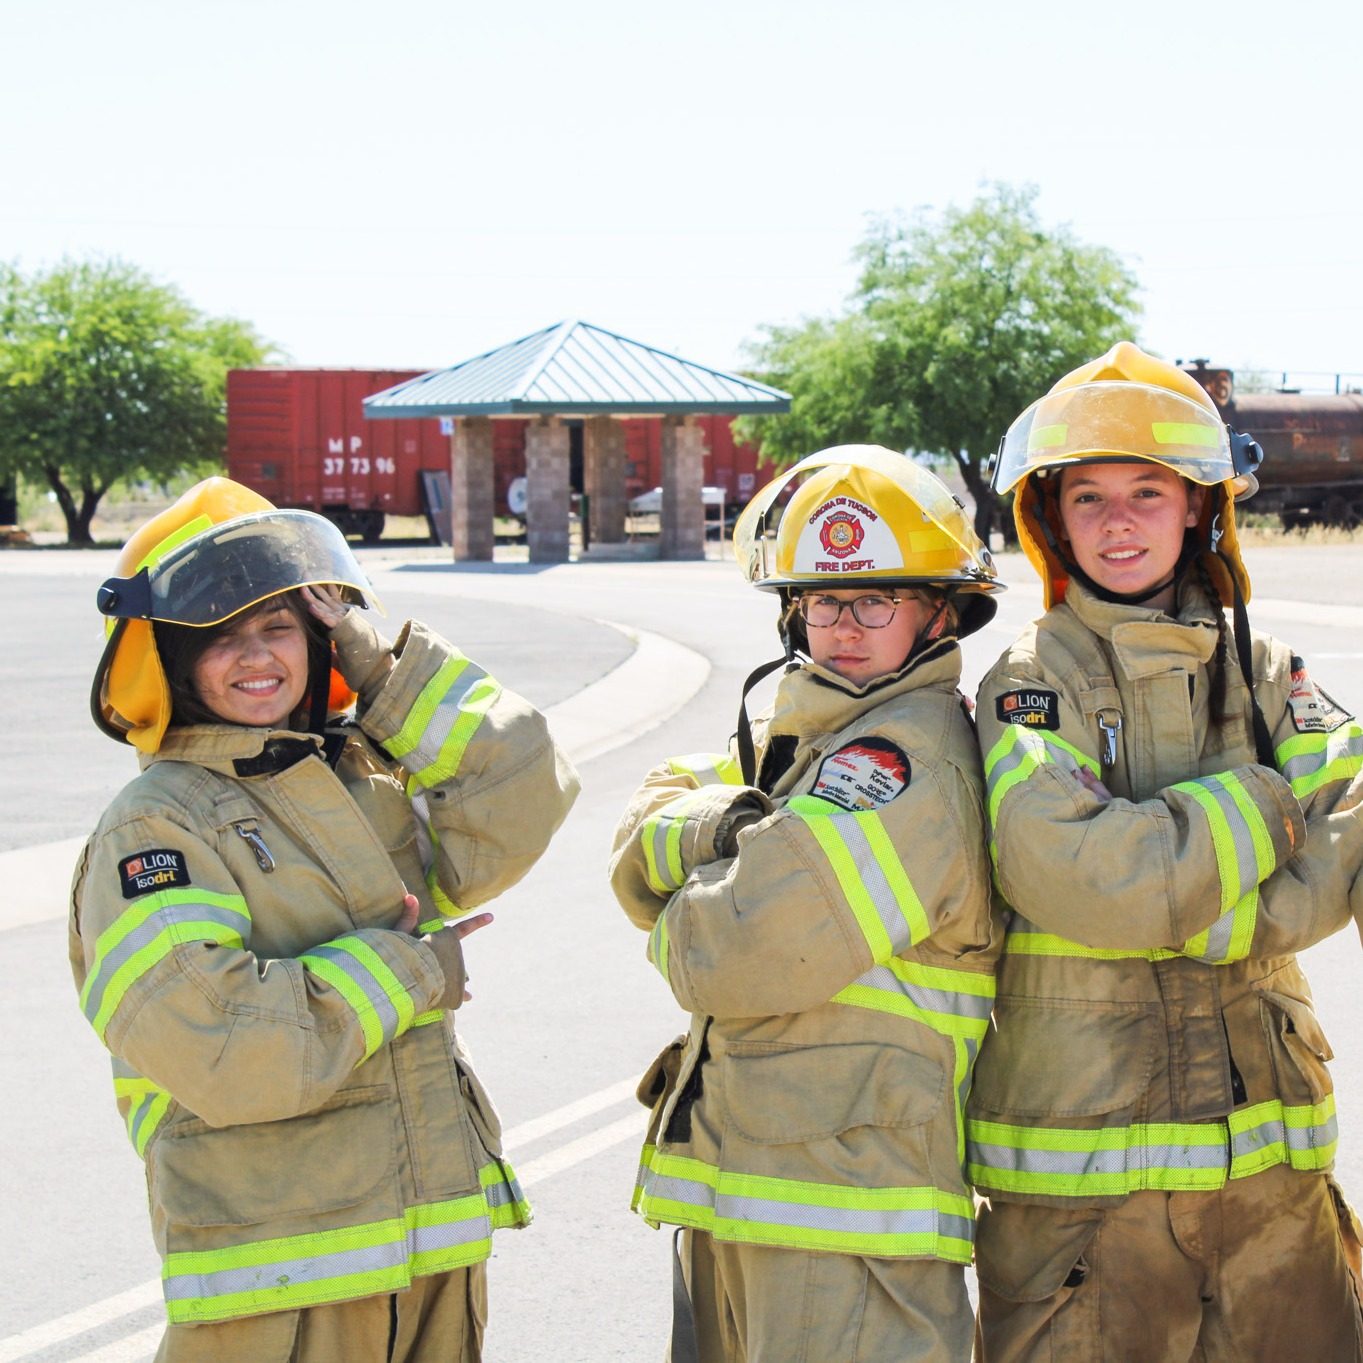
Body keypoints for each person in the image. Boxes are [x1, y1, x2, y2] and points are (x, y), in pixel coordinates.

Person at [70, 478, 579, 1362]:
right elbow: (227, 1048)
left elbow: (522, 787)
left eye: (278, 626)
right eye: (220, 636)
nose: (257, 655)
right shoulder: (156, 823)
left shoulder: (355, 782)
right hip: (281, 1283)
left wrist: (375, 658)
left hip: (426, 1254)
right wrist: (416, 970)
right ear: (172, 663)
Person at [969, 342, 1363, 1361]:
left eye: (1147, 490)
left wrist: (1197, 894)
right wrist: (1269, 803)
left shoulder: (1269, 668)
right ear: (1050, 517)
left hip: (1269, 1174)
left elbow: (1353, 824)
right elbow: (1091, 880)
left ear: (1198, 506)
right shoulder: (1026, 684)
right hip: (1085, 1200)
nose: (1117, 520)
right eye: (1087, 495)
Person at [609, 446, 1005, 1363]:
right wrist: (736, 834)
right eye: (824, 601)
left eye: (877, 600)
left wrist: (684, 894)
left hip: (848, 1229)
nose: (845, 627)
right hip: (758, 1192)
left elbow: (731, 952)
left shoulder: (902, 760)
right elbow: (634, 838)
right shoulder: (810, 739)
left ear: (938, 613)